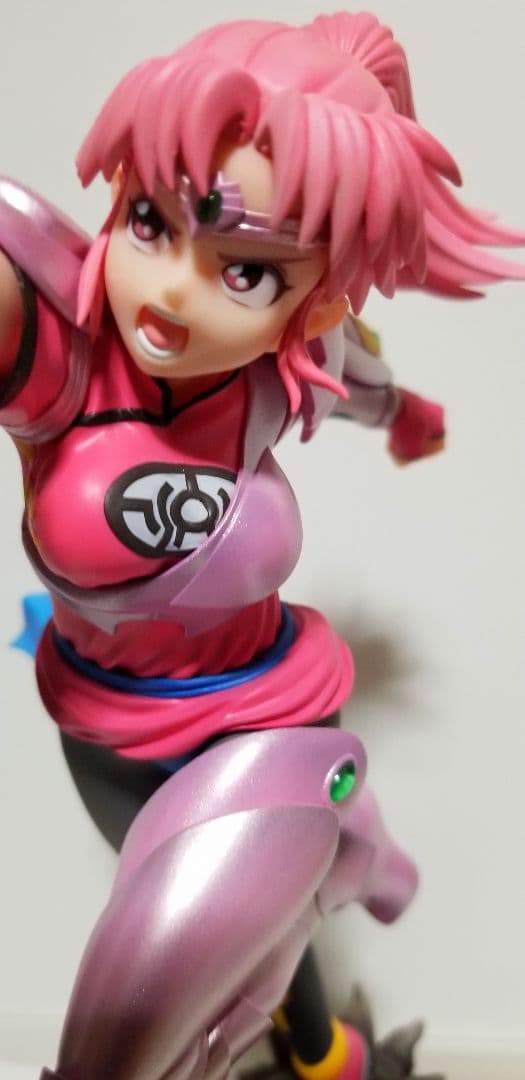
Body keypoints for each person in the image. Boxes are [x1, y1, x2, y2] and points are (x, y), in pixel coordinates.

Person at [1, 11, 523, 1080]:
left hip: (270, 710)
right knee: (166, 973)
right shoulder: (61, 359)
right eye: (149, 220)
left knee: (233, 935)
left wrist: (411, 418)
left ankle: (329, 1033)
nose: (173, 290)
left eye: (245, 271)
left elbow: (366, 380)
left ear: (311, 297)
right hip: (115, 732)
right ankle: (339, 940)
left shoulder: (288, 366)